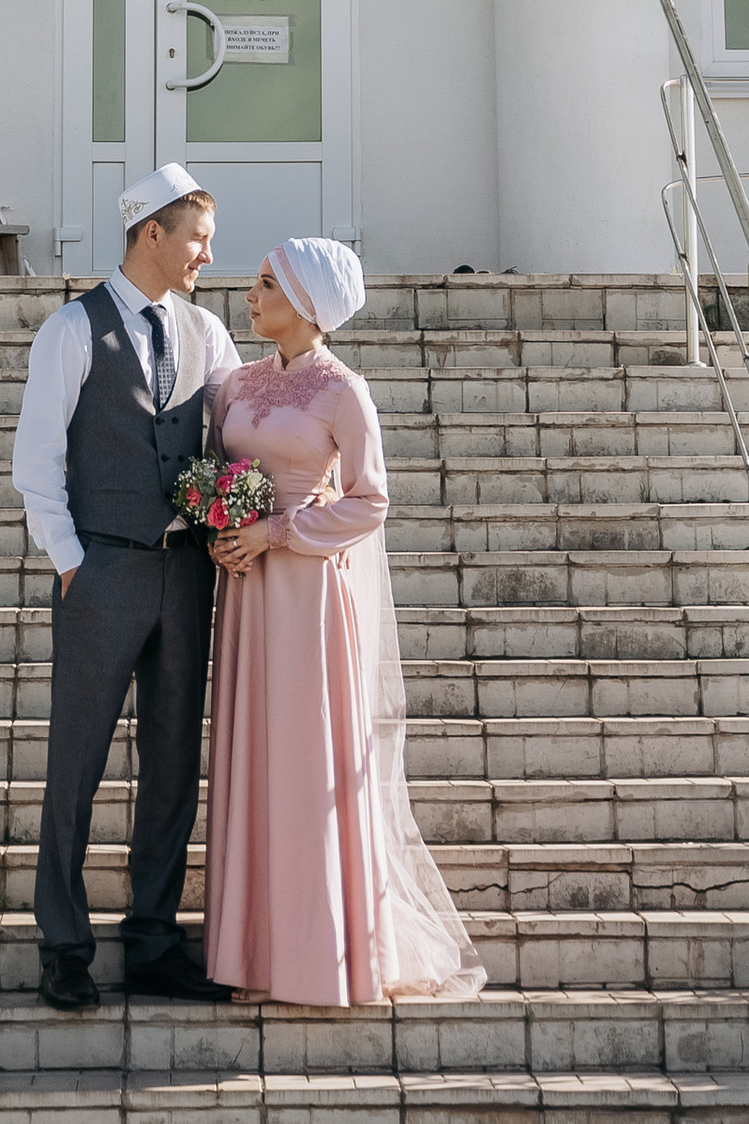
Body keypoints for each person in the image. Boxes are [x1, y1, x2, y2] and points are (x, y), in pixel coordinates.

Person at [202, 238, 484, 1008]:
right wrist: (224, 529)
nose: (250, 294)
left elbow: (370, 499)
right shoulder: (236, 384)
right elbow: (219, 471)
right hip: (248, 592)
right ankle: (256, 958)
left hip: (309, 596)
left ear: (307, 302)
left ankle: (320, 958)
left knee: (305, 763)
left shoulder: (343, 392)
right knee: (253, 758)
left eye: (266, 284)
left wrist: (279, 532)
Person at [12, 163, 243, 1012]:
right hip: (101, 568)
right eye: (197, 240)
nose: (205, 258)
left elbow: (233, 434)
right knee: (75, 761)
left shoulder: (209, 333)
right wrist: (71, 560)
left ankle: (153, 939)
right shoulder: (72, 330)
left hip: (186, 573)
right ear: (154, 232)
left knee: (175, 761)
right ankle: (64, 945)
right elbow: (36, 461)